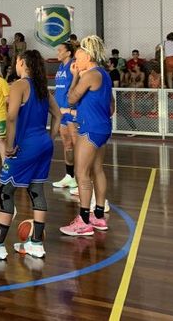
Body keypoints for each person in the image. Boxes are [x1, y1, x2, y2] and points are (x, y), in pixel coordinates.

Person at [0, 50, 62, 260]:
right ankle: (36, 243)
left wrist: (9, 145)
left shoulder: (19, 85)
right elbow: (58, 115)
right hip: (43, 144)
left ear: (21, 63)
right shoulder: (42, 88)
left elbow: (10, 118)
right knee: (36, 189)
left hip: (25, 146)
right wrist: (50, 138)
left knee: (5, 191)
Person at [60, 35, 113, 236]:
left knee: (82, 174)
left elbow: (71, 99)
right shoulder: (104, 74)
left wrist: (74, 77)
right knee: (97, 170)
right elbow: (111, 105)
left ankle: (83, 221)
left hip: (90, 129)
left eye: (78, 57)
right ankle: (98, 216)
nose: (75, 61)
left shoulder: (89, 75)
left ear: (88, 57)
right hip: (102, 127)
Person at [52, 42, 78, 190]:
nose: (58, 52)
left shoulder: (74, 66)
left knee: (78, 146)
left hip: (71, 111)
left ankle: (83, 181)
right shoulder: (61, 67)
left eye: (60, 50)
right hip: (61, 112)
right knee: (67, 145)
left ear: (68, 53)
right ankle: (70, 177)